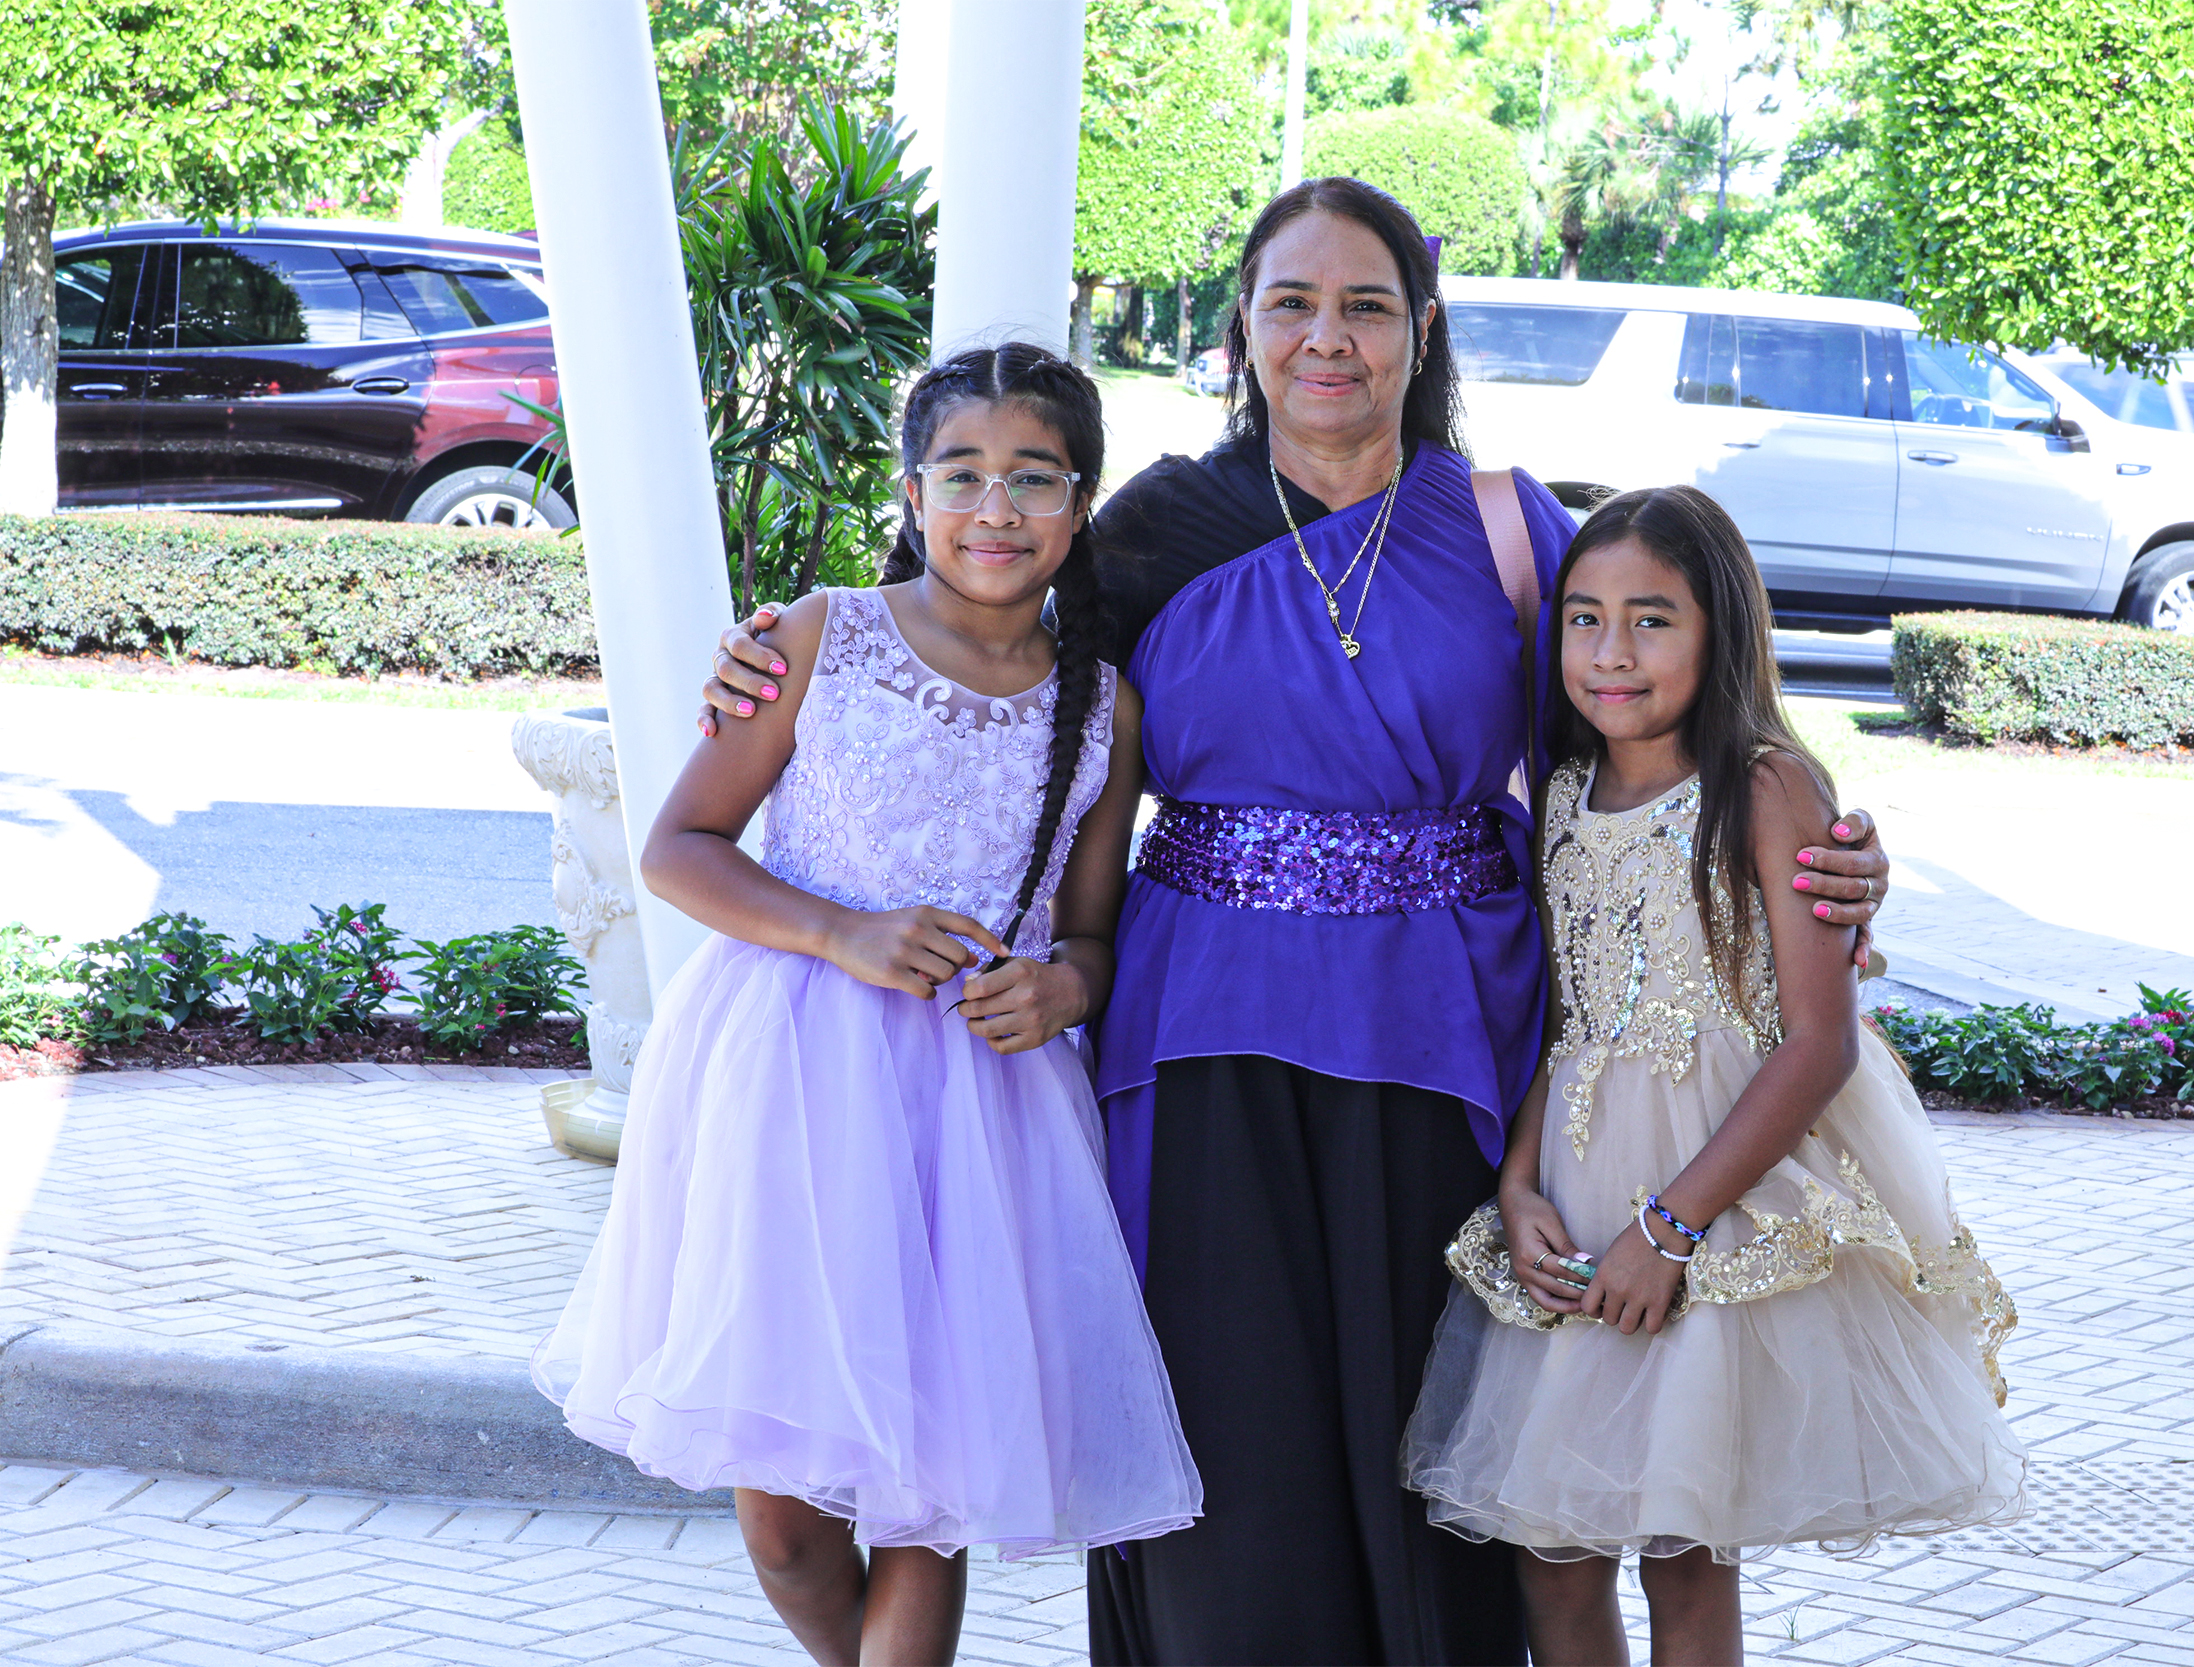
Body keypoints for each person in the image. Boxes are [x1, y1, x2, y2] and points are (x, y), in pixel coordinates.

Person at [699, 178, 1893, 1666]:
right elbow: (984, 650)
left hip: (1452, 1030)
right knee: (1233, 1448)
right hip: (1198, 1034)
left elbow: (1650, 736)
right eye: (1292, 304)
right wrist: (783, 654)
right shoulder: (1151, 531)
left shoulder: (1510, 529)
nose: (1328, 337)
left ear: (1421, 330)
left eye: (1366, 306)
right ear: (1242, 331)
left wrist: (1817, 854)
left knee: (1435, 1447)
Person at [537, 343, 1200, 1667]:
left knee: (925, 1497)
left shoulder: (1103, 707)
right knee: (785, 1524)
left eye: (1034, 478)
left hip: (982, 1112)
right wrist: (844, 931)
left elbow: (1090, 931)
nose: (996, 508)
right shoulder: (814, 638)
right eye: (962, 474)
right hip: (794, 1085)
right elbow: (679, 848)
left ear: (1081, 503)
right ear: (911, 492)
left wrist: (1062, 985)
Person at [1404, 486, 2025, 1666]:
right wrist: (1520, 1187)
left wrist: (1671, 1226)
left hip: (1708, 1196)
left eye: (1651, 619)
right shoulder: (1560, 791)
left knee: (1683, 1550)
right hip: (1578, 1194)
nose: (1611, 652)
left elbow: (1820, 1040)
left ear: (1720, 627)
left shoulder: (1766, 785)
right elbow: (1565, 1020)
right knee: (1552, 1553)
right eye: (1583, 619)